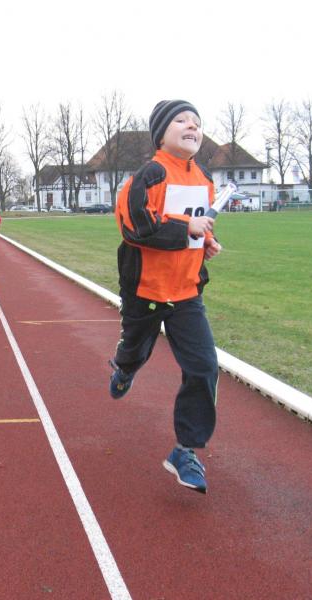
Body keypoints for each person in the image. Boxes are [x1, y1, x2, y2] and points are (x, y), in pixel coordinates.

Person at [109, 100, 223, 494]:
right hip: (145, 290)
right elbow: (135, 227)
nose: (192, 126)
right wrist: (187, 228)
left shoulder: (204, 178)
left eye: (197, 122)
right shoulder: (149, 175)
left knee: (204, 367)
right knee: (135, 350)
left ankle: (185, 450)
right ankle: (124, 369)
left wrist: (206, 241)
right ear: (161, 132)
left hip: (186, 293)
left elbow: (201, 224)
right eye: (181, 120)